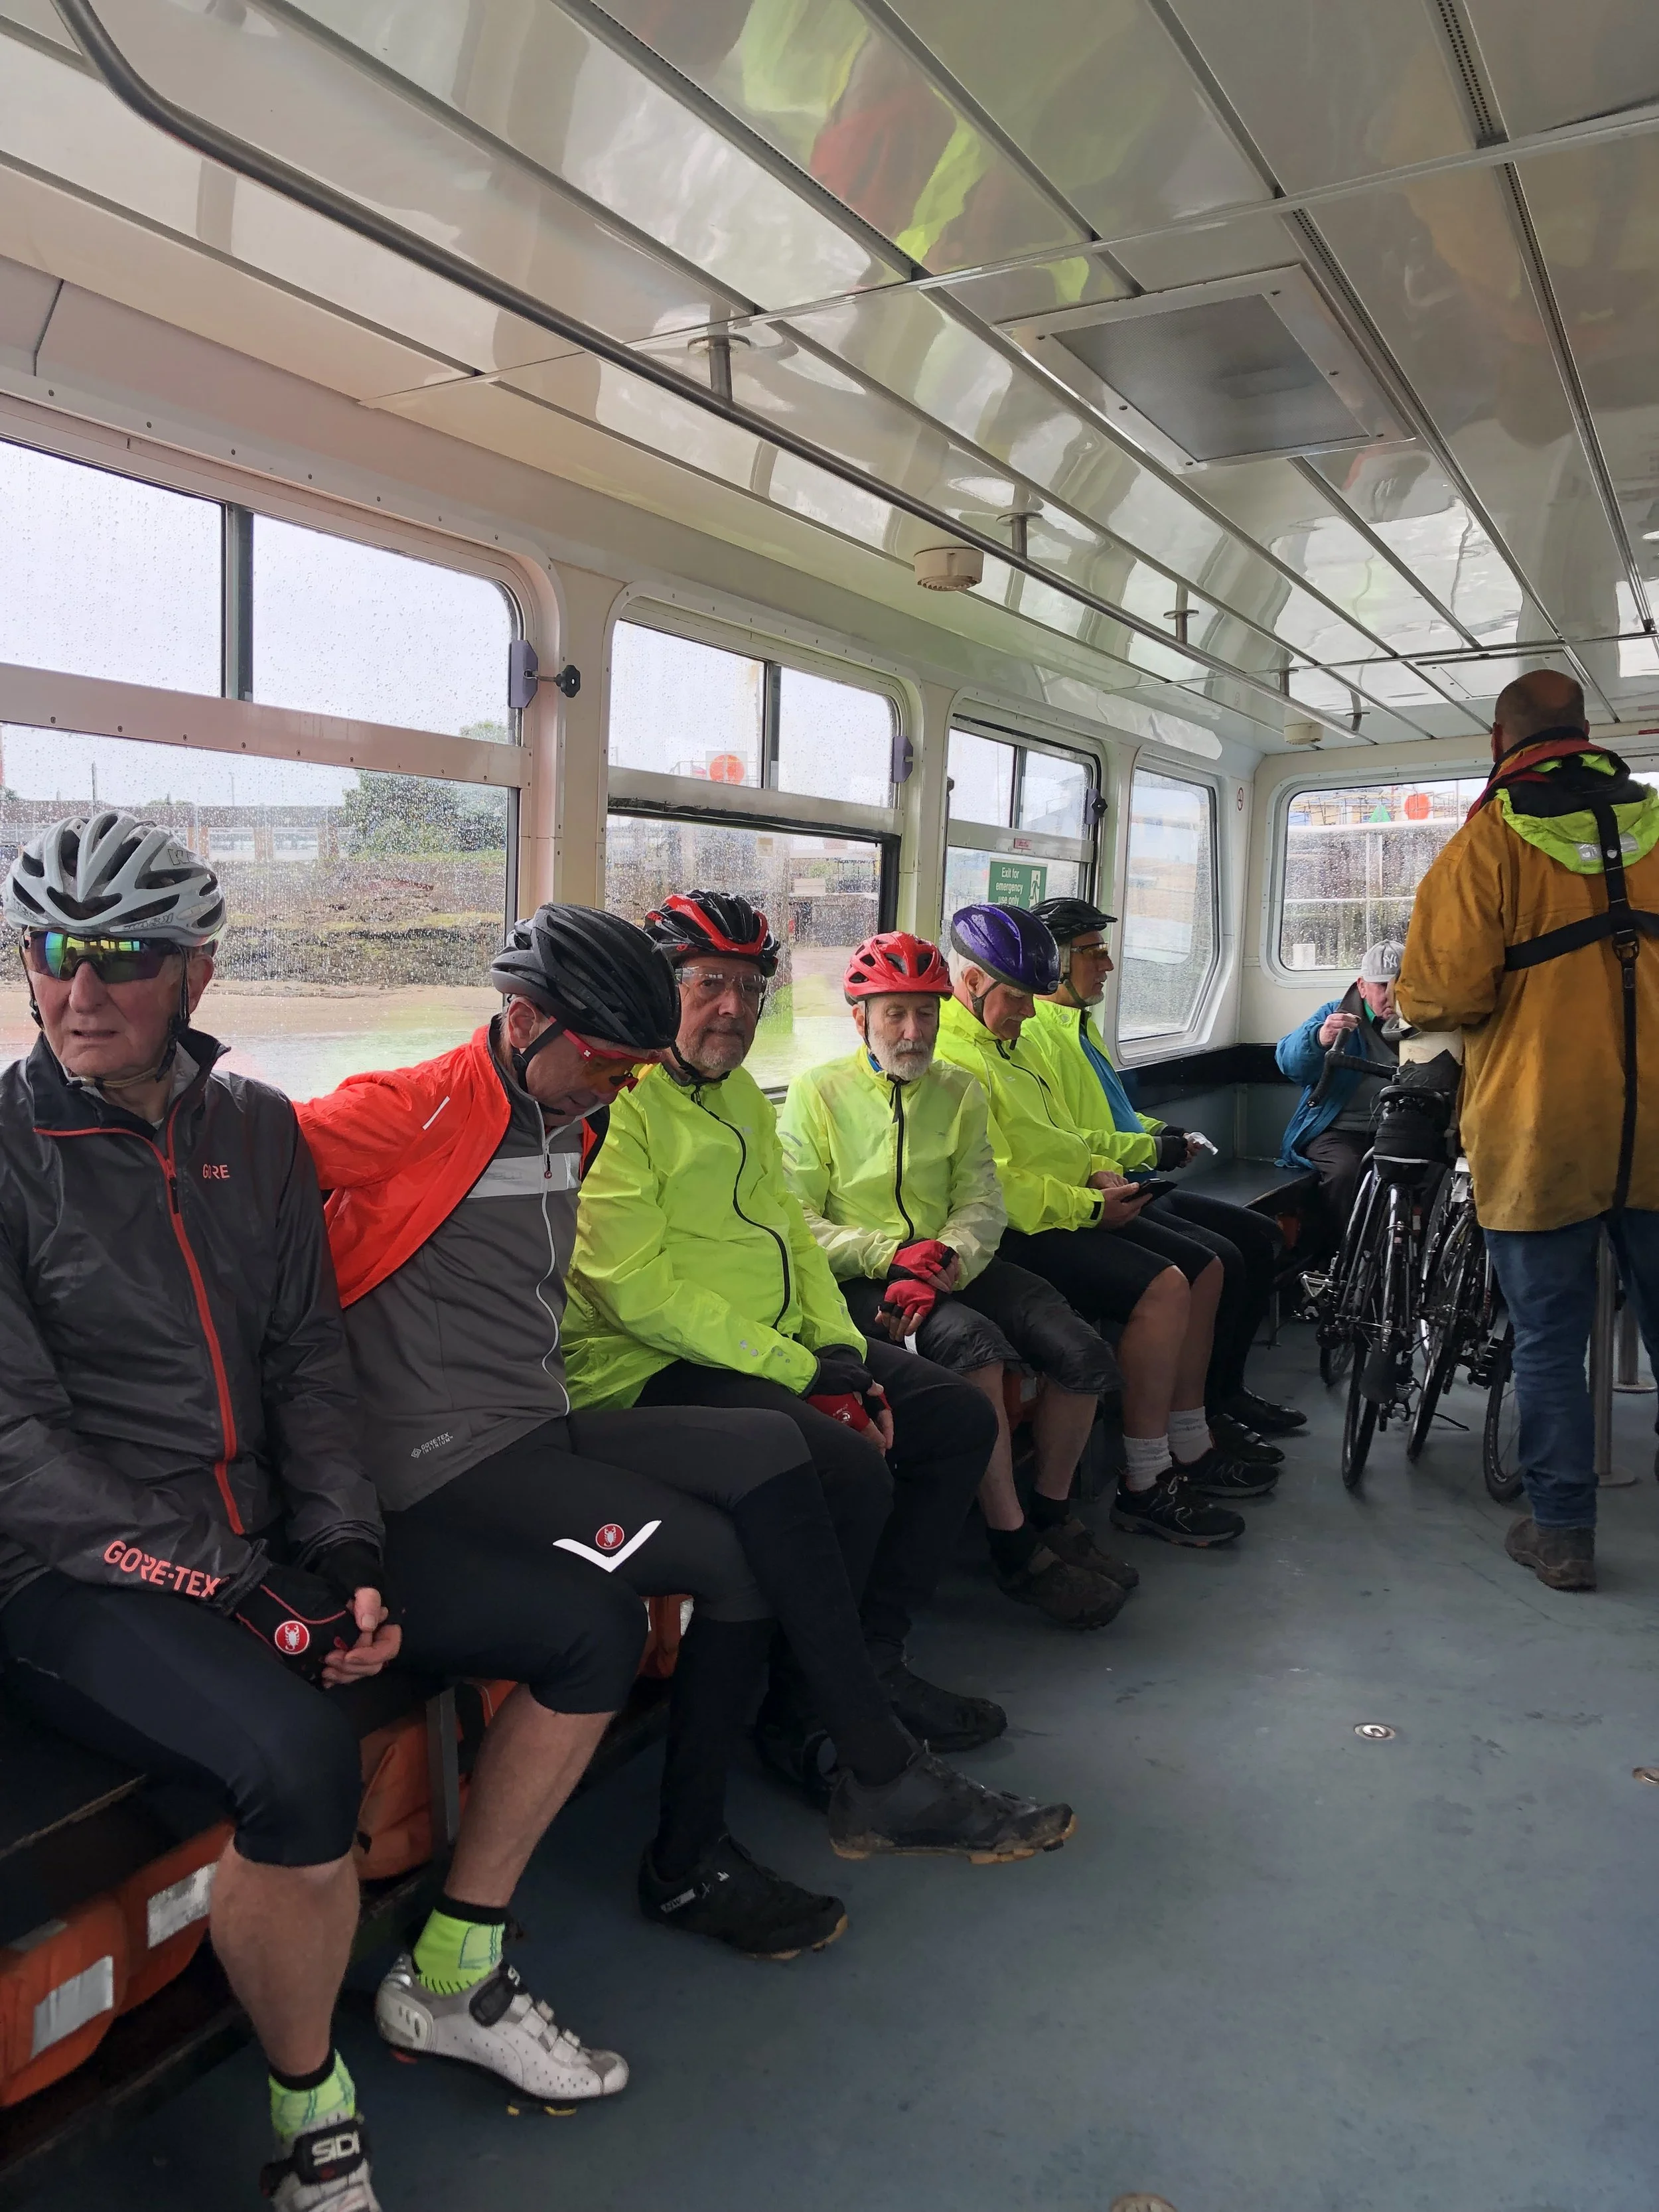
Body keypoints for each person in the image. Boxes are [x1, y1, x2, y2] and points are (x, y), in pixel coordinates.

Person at [0, 816, 644, 2212]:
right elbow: (18, 1454)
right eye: (51, 950)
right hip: (73, 1572)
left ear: (195, 973)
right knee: (299, 1761)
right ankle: (313, 2118)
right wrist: (238, 1586)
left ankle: (453, 1968)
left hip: (267, 1533)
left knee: (590, 1623)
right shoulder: (7, 1152)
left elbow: (306, 1357)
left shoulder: (251, 1128)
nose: (78, 991)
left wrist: (344, 1545)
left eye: (122, 957)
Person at [296, 903, 1058, 1959]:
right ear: (523, 1022)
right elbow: (245, 1157)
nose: (620, 1088)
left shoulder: (570, 1114)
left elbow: (777, 1233)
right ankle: (864, 1770)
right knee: (769, 1500)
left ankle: (721, 1839)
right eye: (609, 1065)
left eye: (633, 1068)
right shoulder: (418, 1107)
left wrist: (833, 1358)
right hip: (441, 1455)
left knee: (773, 1480)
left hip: (534, 1422)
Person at [563, 889, 1074, 1846]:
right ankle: (821, 1718)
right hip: (644, 1363)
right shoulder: (619, 1107)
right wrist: (799, 1371)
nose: (732, 1009)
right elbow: (631, 1290)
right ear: (658, 989)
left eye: (750, 988)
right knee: (844, 1467)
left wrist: (835, 1349)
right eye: (707, 983)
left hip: (767, 1342)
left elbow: (792, 1236)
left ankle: (870, 1661)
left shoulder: (740, 1099)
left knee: (955, 1420)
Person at [778, 929, 1135, 1631]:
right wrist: (891, 1256)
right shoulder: (817, 1094)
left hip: (950, 1262)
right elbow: (798, 1220)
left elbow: (981, 1201)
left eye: (926, 1014)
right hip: (863, 1274)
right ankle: (1012, 1546)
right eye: (895, 1014)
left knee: (1080, 1351)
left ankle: (1051, 1514)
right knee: (975, 1350)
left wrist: (943, 1259)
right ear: (860, 1019)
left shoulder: (959, 1090)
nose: (913, 1032)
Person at [1398, 670, 1659, 1593]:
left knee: (1548, 1339)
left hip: (1540, 1126)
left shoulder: (1487, 845)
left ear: (1499, 741)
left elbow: (1440, 996)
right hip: (1658, 1125)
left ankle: (1562, 1535)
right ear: (1587, 730)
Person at [934, 904, 1263, 1548]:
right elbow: (996, 1182)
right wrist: (1087, 1205)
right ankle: (1145, 1479)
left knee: (1203, 1264)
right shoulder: (954, 1062)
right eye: (1017, 997)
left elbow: (1060, 1135)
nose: (1029, 1012)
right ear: (970, 982)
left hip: (1066, 1205)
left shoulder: (1014, 1043)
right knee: (1165, 1286)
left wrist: (1095, 1170)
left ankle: (1187, 1438)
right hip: (1014, 1232)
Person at [1025, 895, 1304, 1456]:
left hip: (1136, 1178)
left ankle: (1224, 1393)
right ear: (1055, 962)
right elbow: (1074, 1138)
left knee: (1259, 1236)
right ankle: (1202, 1414)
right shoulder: (1037, 1038)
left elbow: (1114, 1115)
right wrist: (1152, 1147)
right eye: (1093, 953)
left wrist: (1164, 1131)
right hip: (1105, 1191)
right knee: (1220, 1257)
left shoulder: (1080, 1027)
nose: (1107, 965)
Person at [1275, 941, 1405, 1250]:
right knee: (1346, 1173)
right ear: (1362, 986)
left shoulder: (1430, 1021)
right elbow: (1290, 1065)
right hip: (1338, 1130)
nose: (1390, 995)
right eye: (1380, 986)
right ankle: (1339, 1254)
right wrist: (1319, 1039)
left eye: (1399, 985)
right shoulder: (1335, 1014)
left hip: (1402, 1129)